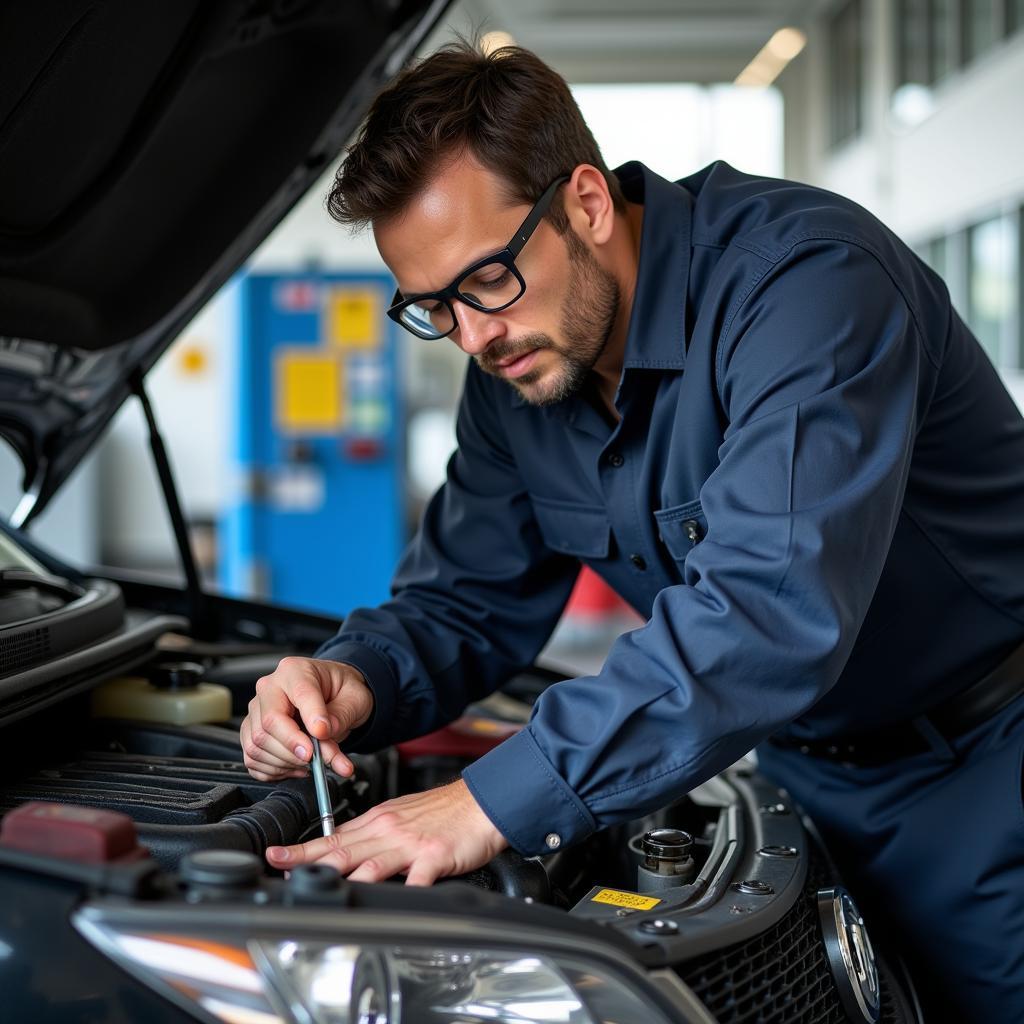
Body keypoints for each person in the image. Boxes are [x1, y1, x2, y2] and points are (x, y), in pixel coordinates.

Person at [240, 41, 1024, 1018]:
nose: (474, 337)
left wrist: (488, 801)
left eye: (487, 280)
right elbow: (464, 597)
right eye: (433, 307)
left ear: (585, 202)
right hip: (789, 777)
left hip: (985, 770)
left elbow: (764, 612)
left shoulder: (807, 285)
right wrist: (352, 677)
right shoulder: (518, 376)